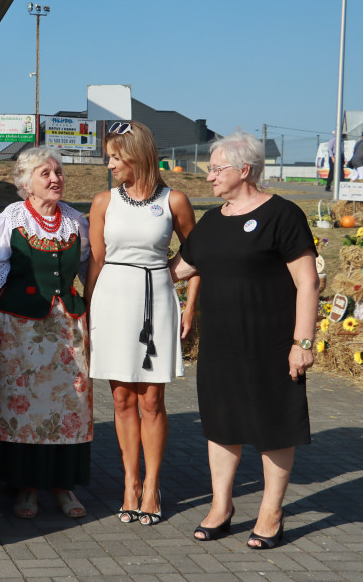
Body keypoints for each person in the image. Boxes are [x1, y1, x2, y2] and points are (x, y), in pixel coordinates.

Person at [171, 131, 317, 549]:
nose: (210, 177)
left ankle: (272, 512)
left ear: (245, 170)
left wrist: (302, 343)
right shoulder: (214, 220)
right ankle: (222, 506)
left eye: (216, 169)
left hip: (272, 344)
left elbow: (307, 283)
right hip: (220, 346)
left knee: (274, 426)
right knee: (221, 425)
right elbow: (178, 269)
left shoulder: (283, 215)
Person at [86, 121, 199, 526]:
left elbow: (198, 253)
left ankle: (152, 485)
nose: (110, 163)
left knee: (152, 400)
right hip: (112, 301)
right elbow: (96, 261)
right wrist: (86, 316)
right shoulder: (103, 201)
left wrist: (187, 305)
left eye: (116, 156)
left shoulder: (175, 200)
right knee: (121, 399)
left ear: (138, 156)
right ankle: (130, 483)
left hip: (157, 301)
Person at [0, 147, 93, 519]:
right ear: (26, 183)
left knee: (67, 406)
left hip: (66, 330)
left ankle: (63, 486)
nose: (55, 178)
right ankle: (26, 487)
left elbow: (86, 274)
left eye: (58, 172)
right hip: (19, 331)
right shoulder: (11, 219)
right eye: (45, 173)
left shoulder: (77, 221)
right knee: (23, 405)